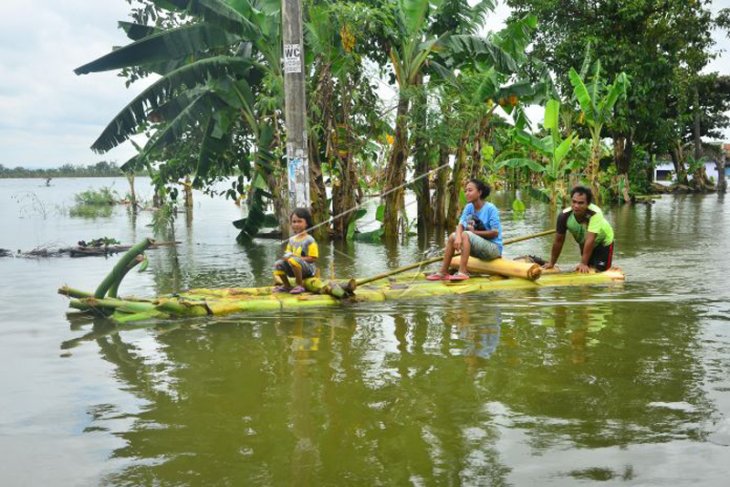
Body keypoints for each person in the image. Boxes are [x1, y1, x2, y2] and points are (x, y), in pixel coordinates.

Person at [427, 178, 503, 281]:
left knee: (466, 234)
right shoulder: (468, 207)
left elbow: (495, 232)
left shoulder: (490, 208)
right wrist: (458, 237)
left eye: (470, 190)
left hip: (493, 249)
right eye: (466, 190)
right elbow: (460, 225)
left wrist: (473, 233)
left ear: (479, 192)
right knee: (452, 236)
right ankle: (443, 272)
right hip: (478, 247)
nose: (467, 193)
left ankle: (462, 272)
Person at [543, 185, 614, 273]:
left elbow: (591, 239)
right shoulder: (564, 216)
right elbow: (558, 241)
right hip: (584, 242)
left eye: (581, 203)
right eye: (574, 202)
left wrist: (583, 263)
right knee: (586, 269)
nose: (576, 206)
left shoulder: (595, 213)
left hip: (603, 241)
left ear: (588, 204)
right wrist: (552, 263)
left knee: (599, 271)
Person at [273, 207, 319, 294]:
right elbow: (288, 253)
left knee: (293, 260)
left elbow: (313, 258)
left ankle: (300, 285)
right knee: (278, 263)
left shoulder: (310, 240)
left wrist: (297, 258)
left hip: (308, 270)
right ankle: (286, 285)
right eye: (294, 222)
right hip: (293, 267)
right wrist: (286, 258)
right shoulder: (291, 240)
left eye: (299, 221)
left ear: (306, 223)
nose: (296, 224)